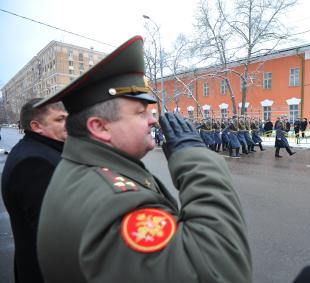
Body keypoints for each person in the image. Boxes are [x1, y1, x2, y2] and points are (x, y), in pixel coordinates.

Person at [35, 36, 251, 283]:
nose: (152, 120)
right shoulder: (115, 200)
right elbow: (217, 270)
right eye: (140, 112)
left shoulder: (89, 168)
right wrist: (195, 159)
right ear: (99, 127)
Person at [1, 98, 68, 283]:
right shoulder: (34, 163)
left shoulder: (38, 150)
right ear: (36, 126)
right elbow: (56, 237)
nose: (67, 124)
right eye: (59, 119)